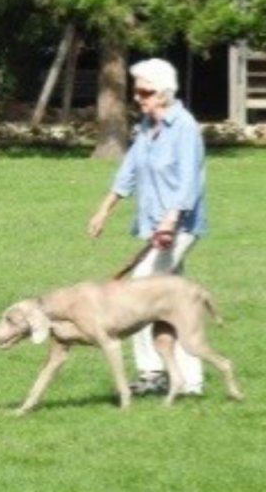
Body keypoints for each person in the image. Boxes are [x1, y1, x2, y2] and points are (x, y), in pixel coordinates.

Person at [87, 57, 209, 396]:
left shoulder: (184, 126)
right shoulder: (147, 127)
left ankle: (166, 375)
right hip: (153, 226)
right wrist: (104, 209)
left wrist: (170, 221)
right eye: (136, 91)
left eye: (145, 91)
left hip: (179, 227)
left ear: (164, 93)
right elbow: (129, 170)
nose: (138, 98)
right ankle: (176, 377)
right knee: (172, 297)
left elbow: (189, 183)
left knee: (140, 294)